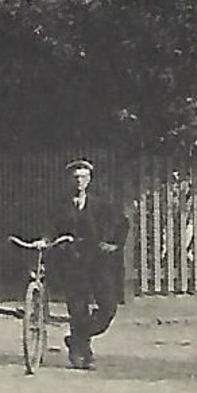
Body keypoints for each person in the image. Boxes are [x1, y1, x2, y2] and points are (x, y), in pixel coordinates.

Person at [47, 158, 130, 370]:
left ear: (89, 180)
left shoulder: (101, 204)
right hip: (72, 261)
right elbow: (48, 228)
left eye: (83, 177)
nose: (79, 182)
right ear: (69, 180)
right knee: (78, 309)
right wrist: (46, 240)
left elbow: (123, 223)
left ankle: (78, 338)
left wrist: (114, 244)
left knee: (108, 307)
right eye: (75, 178)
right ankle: (82, 353)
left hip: (97, 262)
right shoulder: (59, 206)